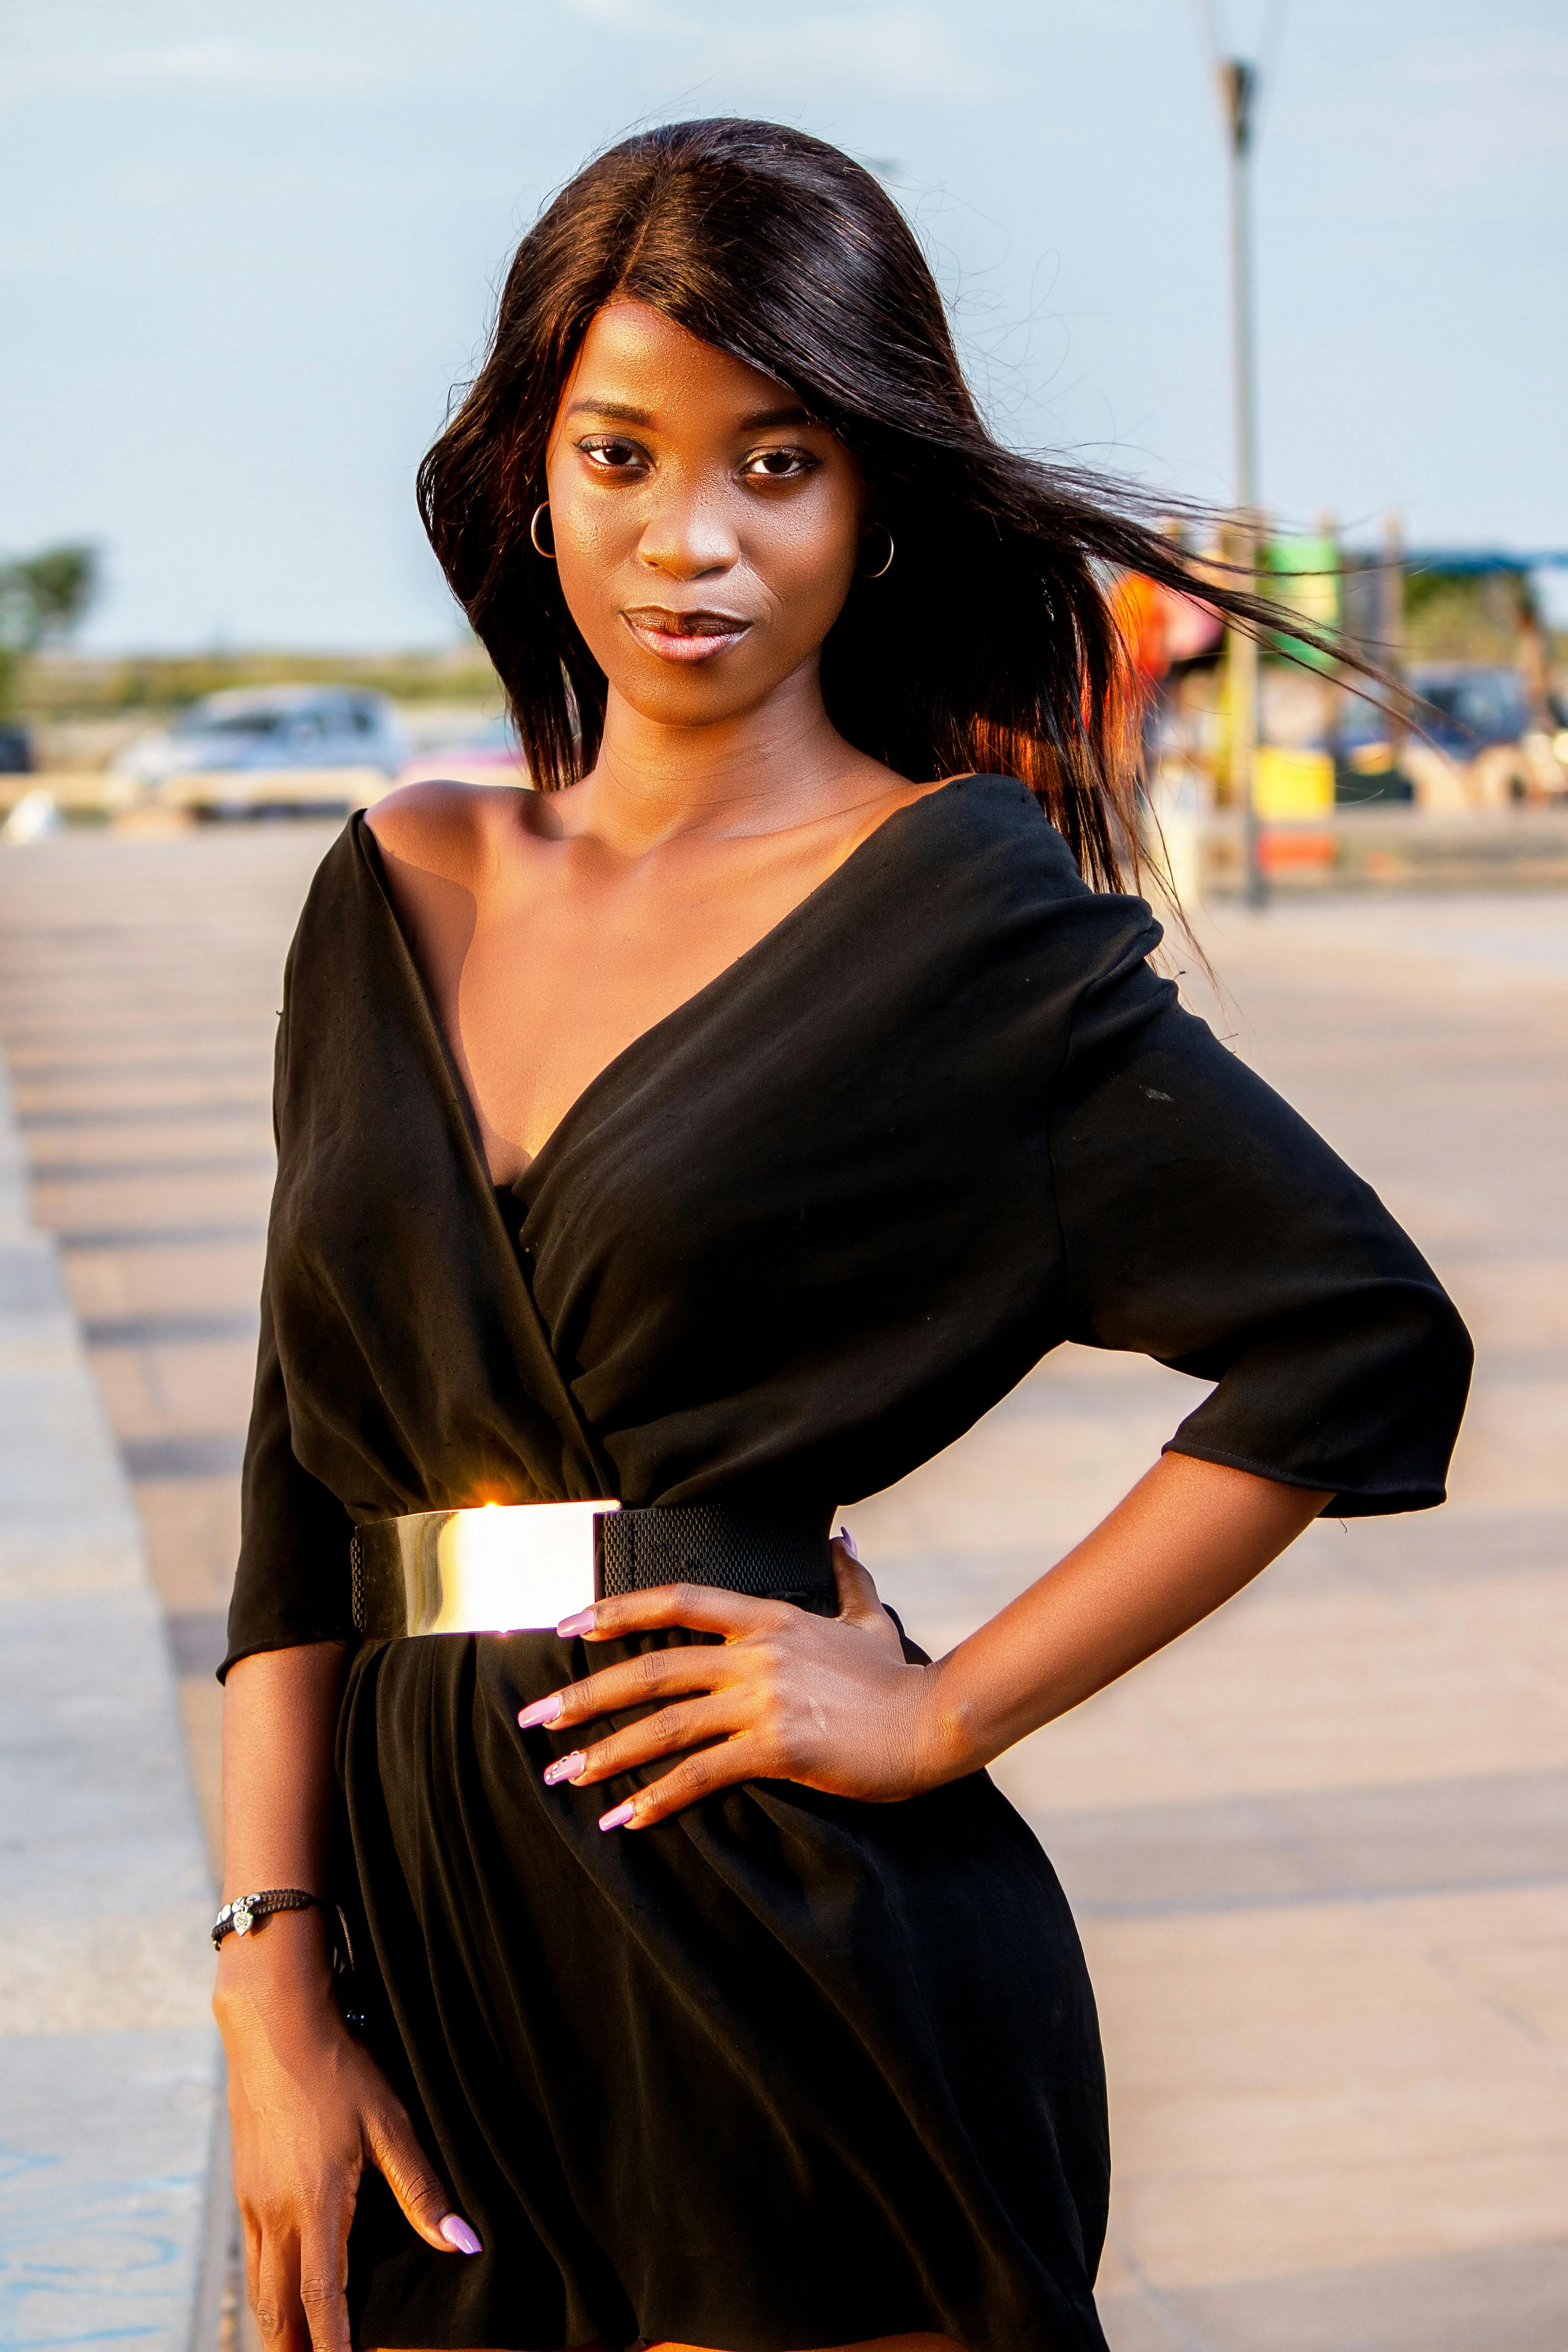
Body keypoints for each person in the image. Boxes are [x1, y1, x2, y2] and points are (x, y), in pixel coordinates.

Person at [214, 119, 1471, 2352]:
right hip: (419, 1948)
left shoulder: (960, 920)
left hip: (779, 1941)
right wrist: (269, 1968)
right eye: (621, 454)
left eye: (775, 464)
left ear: (872, 504)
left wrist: (942, 1714)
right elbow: (305, 1485)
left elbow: (1359, 1343)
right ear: (533, 471)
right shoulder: (393, 886)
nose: (687, 539)